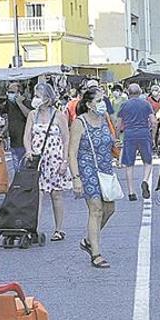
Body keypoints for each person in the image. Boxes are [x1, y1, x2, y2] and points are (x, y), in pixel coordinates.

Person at [69, 88, 117, 269]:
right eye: (98, 100)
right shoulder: (80, 123)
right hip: (87, 169)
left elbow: (109, 139)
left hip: (105, 168)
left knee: (110, 209)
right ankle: (96, 254)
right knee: (96, 209)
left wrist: (115, 144)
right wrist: (76, 178)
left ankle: (89, 240)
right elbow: (72, 153)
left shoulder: (104, 119)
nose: (102, 103)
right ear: (89, 105)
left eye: (103, 100)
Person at [23, 82, 72, 241]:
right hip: (37, 160)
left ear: (47, 98)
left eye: (38, 96)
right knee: (37, 195)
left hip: (55, 159)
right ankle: (34, 228)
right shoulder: (32, 115)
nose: (34, 99)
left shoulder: (59, 115)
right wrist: (28, 150)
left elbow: (66, 139)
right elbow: (27, 135)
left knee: (56, 194)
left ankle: (59, 229)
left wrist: (65, 161)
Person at [118, 83, 156, 200]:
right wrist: (153, 137)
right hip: (144, 133)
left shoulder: (124, 105)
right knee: (148, 162)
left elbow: (118, 124)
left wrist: (117, 137)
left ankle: (131, 192)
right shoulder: (146, 104)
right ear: (140, 92)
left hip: (129, 134)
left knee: (129, 164)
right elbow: (154, 122)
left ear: (128, 93)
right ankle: (145, 180)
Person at [1, 81, 31, 170]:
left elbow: (29, 116)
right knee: (15, 167)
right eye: (9, 91)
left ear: (19, 93)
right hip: (13, 141)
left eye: (12, 92)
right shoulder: (8, 104)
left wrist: (20, 103)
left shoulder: (26, 103)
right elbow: (9, 121)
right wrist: (2, 133)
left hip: (23, 141)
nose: (9, 94)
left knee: (23, 167)